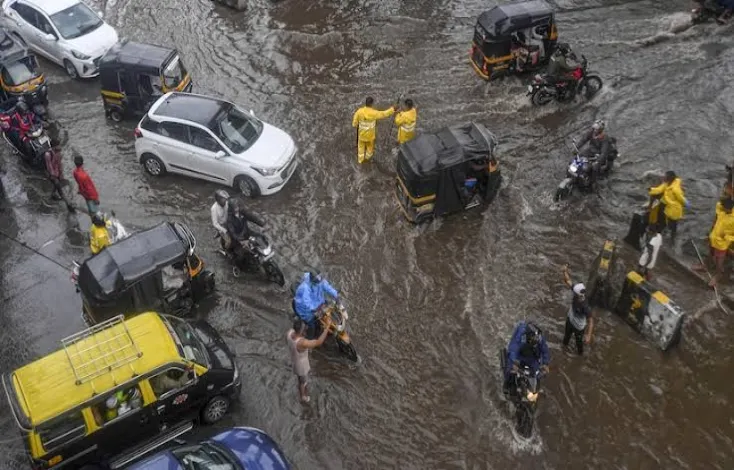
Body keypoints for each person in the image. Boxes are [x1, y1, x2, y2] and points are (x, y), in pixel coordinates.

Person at [287, 317, 332, 403]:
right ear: (301, 331)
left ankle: (302, 387)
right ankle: (303, 396)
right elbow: (318, 342)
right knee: (302, 381)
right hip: (301, 366)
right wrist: (327, 327)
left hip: (294, 361)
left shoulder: (289, 333)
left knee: (300, 378)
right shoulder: (302, 343)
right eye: (304, 329)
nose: (305, 330)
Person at [693, 197, 734, 287]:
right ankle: (705, 266)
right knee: (710, 254)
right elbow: (718, 208)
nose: (721, 208)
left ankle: (718, 275)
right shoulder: (722, 210)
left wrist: (727, 237)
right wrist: (710, 234)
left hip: (721, 244)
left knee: (719, 261)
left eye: (723, 207)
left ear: (728, 208)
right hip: (713, 238)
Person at [503, 321, 550, 395]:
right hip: (520, 356)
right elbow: (513, 349)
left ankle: (535, 389)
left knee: (536, 373)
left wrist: (546, 363)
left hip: (532, 358)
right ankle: (507, 383)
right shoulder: (521, 336)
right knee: (511, 369)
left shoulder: (540, 338)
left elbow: (545, 350)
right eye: (534, 340)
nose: (536, 341)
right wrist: (514, 361)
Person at [293, 271, 340, 338]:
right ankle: (309, 339)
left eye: (320, 277)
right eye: (318, 279)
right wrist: (316, 309)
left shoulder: (320, 280)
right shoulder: (305, 288)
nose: (320, 280)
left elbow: (328, 287)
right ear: (313, 280)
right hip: (305, 310)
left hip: (318, 303)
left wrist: (336, 296)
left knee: (328, 309)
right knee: (312, 326)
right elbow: (307, 304)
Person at [562, 264, 594, 355]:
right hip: (570, 320)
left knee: (579, 344)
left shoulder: (585, 306)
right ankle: (564, 350)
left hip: (579, 327)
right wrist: (564, 271)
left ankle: (580, 356)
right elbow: (567, 281)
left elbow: (591, 321)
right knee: (566, 339)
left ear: (578, 295)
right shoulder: (577, 291)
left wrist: (588, 335)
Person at [351, 97, 396, 164]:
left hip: (361, 135)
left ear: (365, 103)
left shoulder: (359, 111)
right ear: (372, 104)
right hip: (370, 136)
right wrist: (392, 109)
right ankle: (367, 159)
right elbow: (384, 114)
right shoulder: (374, 113)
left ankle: (360, 161)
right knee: (369, 149)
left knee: (360, 148)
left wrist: (358, 123)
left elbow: (354, 124)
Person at [648, 170, 689, 240]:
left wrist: (686, 203)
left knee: (672, 223)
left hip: (673, 208)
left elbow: (680, 198)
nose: (664, 177)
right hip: (666, 204)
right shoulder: (666, 184)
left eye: (665, 176)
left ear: (670, 178)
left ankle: (672, 238)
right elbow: (659, 189)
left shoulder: (675, 189)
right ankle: (660, 232)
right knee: (662, 218)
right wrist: (651, 189)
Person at [43, 139, 74, 212]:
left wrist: (61, 174)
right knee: (59, 188)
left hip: (57, 173)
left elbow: (59, 164)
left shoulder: (58, 153)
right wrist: (54, 176)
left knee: (57, 186)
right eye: (58, 145)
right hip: (51, 174)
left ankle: (53, 195)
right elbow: (49, 167)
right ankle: (69, 205)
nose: (60, 147)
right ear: (54, 147)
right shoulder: (47, 154)